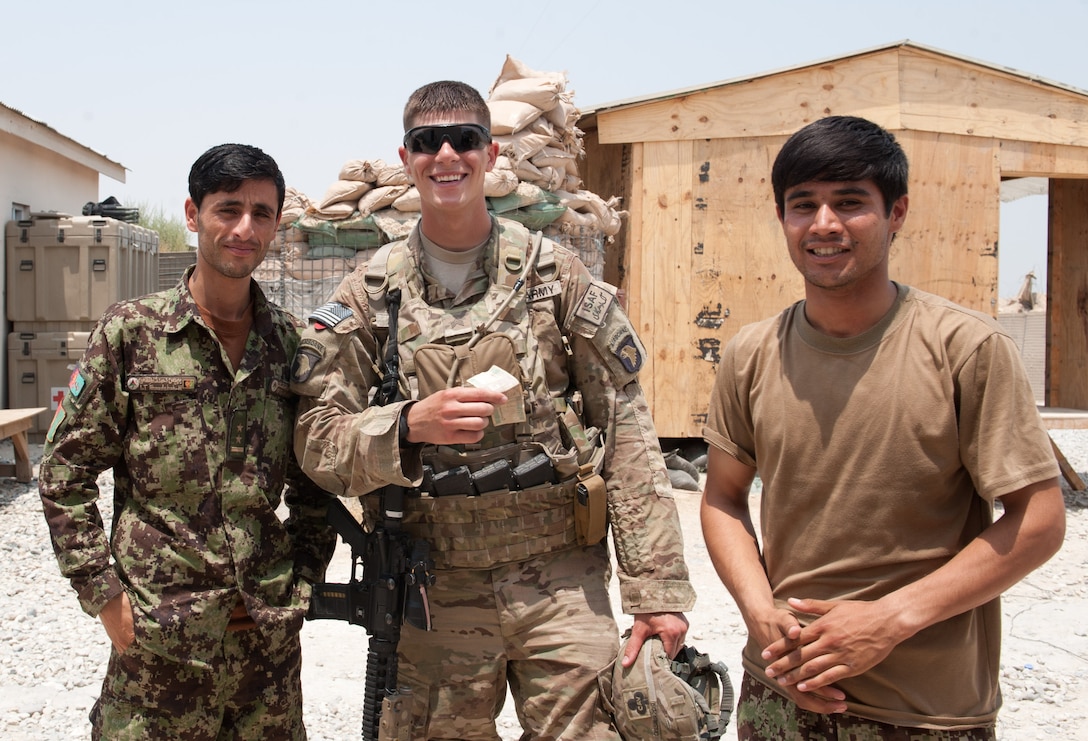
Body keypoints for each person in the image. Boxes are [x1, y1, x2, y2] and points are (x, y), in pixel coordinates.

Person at [291, 80, 695, 739]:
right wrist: (404, 428)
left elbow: (625, 428)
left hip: (560, 576)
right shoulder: (369, 292)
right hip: (433, 582)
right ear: (407, 156)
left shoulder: (552, 273)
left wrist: (658, 591)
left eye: (464, 140)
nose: (446, 154)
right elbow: (316, 436)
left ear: (491, 152)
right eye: (427, 142)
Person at [700, 115, 1067, 739]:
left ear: (896, 213)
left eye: (850, 203)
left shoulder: (964, 349)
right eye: (802, 205)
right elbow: (722, 498)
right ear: (782, 217)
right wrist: (760, 614)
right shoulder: (752, 353)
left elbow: (1039, 521)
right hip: (781, 699)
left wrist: (890, 620)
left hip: (926, 712)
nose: (824, 225)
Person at [38, 143, 337, 740]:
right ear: (193, 214)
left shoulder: (290, 344)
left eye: (262, 213)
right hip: (158, 642)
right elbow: (63, 472)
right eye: (228, 209)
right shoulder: (132, 332)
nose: (244, 228)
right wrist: (103, 594)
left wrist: (299, 583)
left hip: (265, 651)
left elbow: (315, 483)